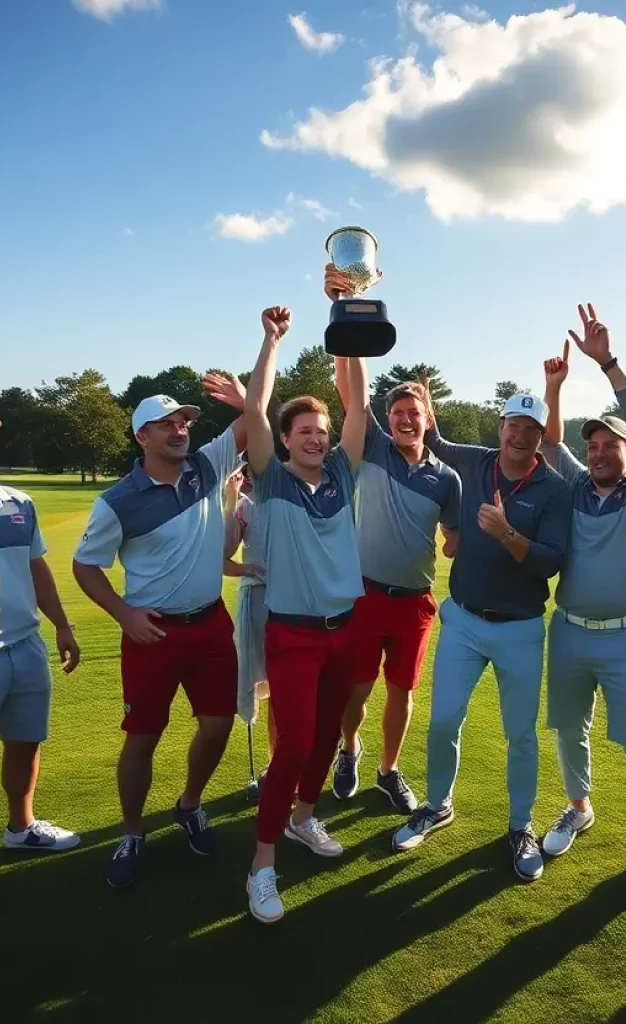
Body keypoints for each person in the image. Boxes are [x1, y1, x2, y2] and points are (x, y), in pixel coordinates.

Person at [391, 377, 572, 885]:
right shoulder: (475, 461)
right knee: (444, 720)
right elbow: (436, 440)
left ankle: (520, 826)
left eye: (531, 428)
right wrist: (426, 402)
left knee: (521, 734)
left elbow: (551, 562)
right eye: (514, 425)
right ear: (501, 427)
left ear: (541, 436)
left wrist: (508, 534)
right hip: (465, 621)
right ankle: (437, 805)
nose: (520, 435)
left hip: (520, 628)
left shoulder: (554, 489)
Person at [72, 375, 247, 888]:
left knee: (217, 725)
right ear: (141, 437)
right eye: (165, 424)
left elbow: (253, 422)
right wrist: (123, 614)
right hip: (151, 634)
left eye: (183, 422)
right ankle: (132, 831)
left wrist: (248, 393)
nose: (179, 429)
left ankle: (189, 805)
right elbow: (86, 566)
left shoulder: (206, 467)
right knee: (143, 736)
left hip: (210, 625)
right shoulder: (118, 500)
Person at [538, 304, 626, 911]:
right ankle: (578, 807)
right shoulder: (574, 486)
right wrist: (554, 389)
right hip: (569, 632)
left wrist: (608, 364)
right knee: (570, 729)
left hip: (625, 639)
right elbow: (550, 443)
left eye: (609, 445)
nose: (597, 452)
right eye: (592, 445)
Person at [243, 306, 371, 925]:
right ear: (286, 439)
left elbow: (360, 409)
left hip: (345, 630)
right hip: (293, 634)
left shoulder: (342, 473)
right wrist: (271, 342)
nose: (317, 439)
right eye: (305, 432)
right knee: (293, 743)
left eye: (322, 430)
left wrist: (351, 332)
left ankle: (302, 818)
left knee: (325, 736)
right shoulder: (271, 480)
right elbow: (254, 408)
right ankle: (261, 862)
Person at [324, 263, 462, 815]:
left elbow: (452, 540)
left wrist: (473, 540)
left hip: (415, 604)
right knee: (357, 690)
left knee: (402, 692)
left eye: (414, 413)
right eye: (398, 413)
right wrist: (343, 313)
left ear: (429, 419)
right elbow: (351, 393)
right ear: (390, 419)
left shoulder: (446, 478)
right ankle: (349, 750)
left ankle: (388, 770)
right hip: (365, 596)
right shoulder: (375, 449)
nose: (406, 420)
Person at [0, 406, 81, 908]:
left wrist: (62, 624)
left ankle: (20, 827)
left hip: (24, 646)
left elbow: (36, 568)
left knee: (26, 742)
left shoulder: (19, 503)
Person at [222, 462, 275, 797]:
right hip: (257, 601)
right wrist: (231, 499)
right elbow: (222, 557)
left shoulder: (292, 498)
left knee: (286, 686)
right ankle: (272, 766)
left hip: (294, 603)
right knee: (263, 678)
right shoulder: (243, 507)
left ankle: (281, 762)